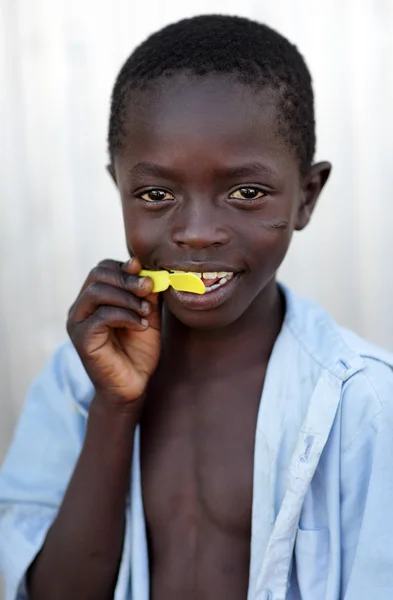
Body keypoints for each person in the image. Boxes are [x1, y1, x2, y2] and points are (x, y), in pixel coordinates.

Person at [1, 13, 393, 600]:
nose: (197, 233)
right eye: (156, 194)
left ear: (306, 197)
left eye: (246, 192)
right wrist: (114, 407)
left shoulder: (364, 405)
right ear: (119, 189)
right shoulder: (72, 383)